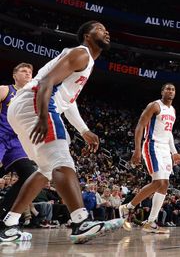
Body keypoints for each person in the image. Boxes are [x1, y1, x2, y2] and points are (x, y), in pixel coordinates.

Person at [0, 21, 123, 243]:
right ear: (86, 35)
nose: (106, 31)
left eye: (107, 29)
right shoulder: (81, 53)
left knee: (46, 170)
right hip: (36, 103)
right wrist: (42, 116)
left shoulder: (86, 62)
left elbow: (68, 100)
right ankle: (79, 221)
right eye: (100, 28)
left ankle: (9, 225)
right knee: (62, 161)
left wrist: (84, 130)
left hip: (24, 107)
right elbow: (47, 82)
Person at [119, 83, 180, 233]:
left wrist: (174, 152)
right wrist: (137, 150)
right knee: (158, 182)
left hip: (165, 150)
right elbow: (140, 126)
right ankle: (127, 207)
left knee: (165, 184)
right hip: (152, 146)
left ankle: (150, 222)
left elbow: (169, 133)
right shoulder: (154, 106)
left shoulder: (173, 110)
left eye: (173, 89)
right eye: (167, 88)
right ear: (162, 92)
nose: (170, 91)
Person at [0, 64, 38, 218]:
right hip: (1, 137)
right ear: (14, 75)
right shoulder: (5, 89)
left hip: (17, 142)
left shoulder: (32, 97)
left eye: (30, 72)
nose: (28, 74)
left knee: (29, 175)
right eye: (23, 71)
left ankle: (3, 214)